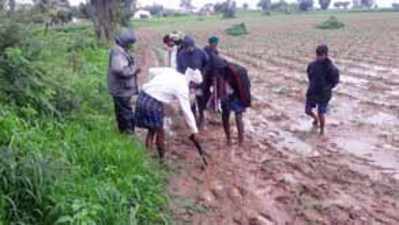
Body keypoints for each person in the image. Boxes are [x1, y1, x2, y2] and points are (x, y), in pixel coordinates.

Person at [134, 67, 202, 159]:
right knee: (160, 132)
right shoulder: (182, 88)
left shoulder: (171, 71)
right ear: (192, 83)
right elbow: (187, 111)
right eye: (194, 87)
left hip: (143, 96)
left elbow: (151, 71)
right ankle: (162, 160)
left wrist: (152, 86)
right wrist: (194, 131)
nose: (193, 89)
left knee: (151, 130)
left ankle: (146, 157)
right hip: (153, 103)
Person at [107, 29, 141, 134]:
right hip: (121, 88)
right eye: (130, 43)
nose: (131, 45)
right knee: (125, 111)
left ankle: (125, 132)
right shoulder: (118, 52)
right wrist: (134, 69)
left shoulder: (119, 50)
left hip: (121, 88)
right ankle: (128, 133)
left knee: (123, 110)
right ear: (125, 42)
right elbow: (119, 70)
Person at [305, 44, 340, 135]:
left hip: (324, 94)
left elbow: (335, 81)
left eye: (321, 55)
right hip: (312, 91)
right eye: (317, 55)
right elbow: (309, 75)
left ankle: (322, 130)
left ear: (325, 55)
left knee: (321, 113)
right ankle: (315, 118)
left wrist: (326, 88)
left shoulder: (332, 68)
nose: (319, 57)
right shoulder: (312, 65)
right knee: (307, 110)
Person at [177, 36, 209, 128]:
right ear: (184, 47)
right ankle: (193, 119)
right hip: (187, 82)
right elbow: (179, 69)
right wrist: (186, 79)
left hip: (199, 81)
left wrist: (202, 74)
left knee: (201, 100)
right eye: (187, 47)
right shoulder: (181, 55)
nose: (189, 49)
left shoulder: (201, 52)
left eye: (191, 47)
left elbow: (207, 64)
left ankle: (202, 118)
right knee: (190, 101)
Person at [221, 62, 251, 146]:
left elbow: (245, 89)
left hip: (236, 93)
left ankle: (238, 140)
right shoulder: (227, 70)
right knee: (228, 115)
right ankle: (231, 140)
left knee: (236, 116)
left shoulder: (238, 72)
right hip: (230, 92)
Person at [203, 36, 227, 112]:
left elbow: (217, 60)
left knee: (219, 88)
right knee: (209, 89)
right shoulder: (206, 51)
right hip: (208, 73)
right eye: (214, 43)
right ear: (210, 43)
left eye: (216, 43)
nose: (215, 45)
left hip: (214, 72)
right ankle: (211, 105)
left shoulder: (215, 51)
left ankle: (213, 104)